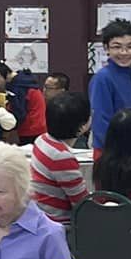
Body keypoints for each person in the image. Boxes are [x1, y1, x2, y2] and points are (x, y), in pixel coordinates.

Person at [29, 90, 94, 225]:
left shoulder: (42, 140)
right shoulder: (60, 157)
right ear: (82, 126)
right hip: (58, 224)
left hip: (39, 214)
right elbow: (81, 203)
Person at [89, 19, 131, 149]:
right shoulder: (103, 78)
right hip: (112, 152)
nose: (124, 52)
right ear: (106, 48)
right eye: (117, 47)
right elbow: (101, 122)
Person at [0, 58, 45, 141]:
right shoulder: (23, 81)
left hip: (31, 131)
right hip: (37, 128)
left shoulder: (18, 87)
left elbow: (19, 114)